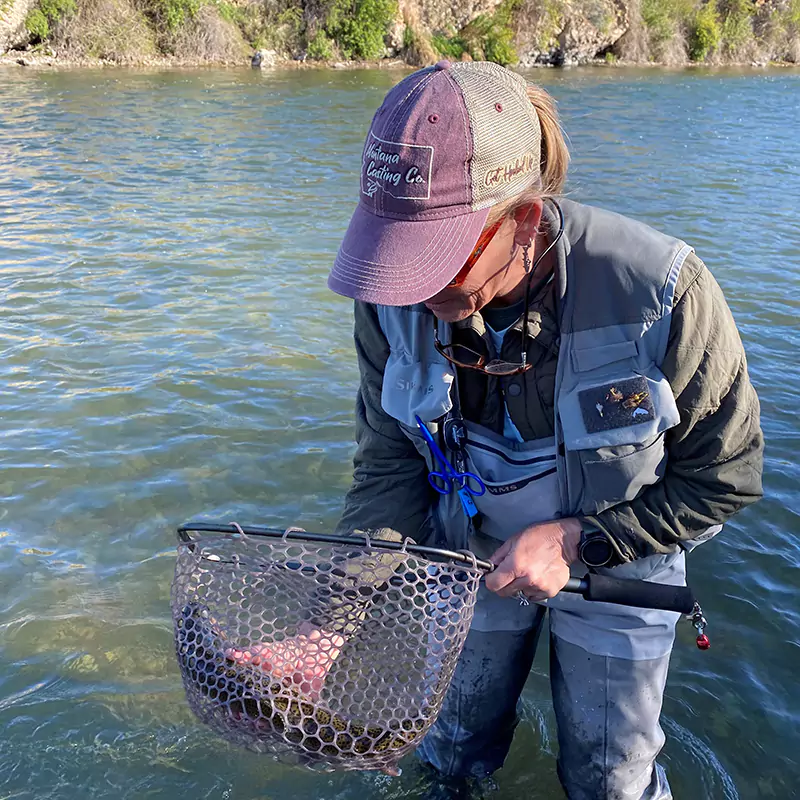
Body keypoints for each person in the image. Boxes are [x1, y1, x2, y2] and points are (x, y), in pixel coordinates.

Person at [242, 60, 764, 799]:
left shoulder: (665, 290)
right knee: (449, 755)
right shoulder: (389, 297)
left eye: (434, 260)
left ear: (521, 219)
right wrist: (329, 621)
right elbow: (389, 468)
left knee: (609, 778)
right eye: (395, 256)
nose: (412, 292)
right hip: (471, 562)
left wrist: (580, 540)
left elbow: (727, 476)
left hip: (624, 566)